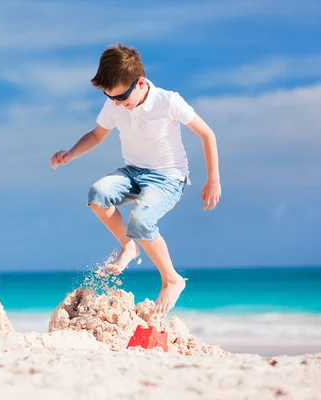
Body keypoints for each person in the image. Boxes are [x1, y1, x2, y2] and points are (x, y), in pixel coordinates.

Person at [50, 43, 221, 314]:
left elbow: (207, 134)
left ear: (140, 83)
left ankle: (172, 279)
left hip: (167, 178)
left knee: (140, 221)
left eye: (121, 98)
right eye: (111, 98)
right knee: (97, 194)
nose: (117, 104)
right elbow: (96, 135)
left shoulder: (168, 101)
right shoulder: (115, 103)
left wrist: (213, 180)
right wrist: (70, 154)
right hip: (133, 172)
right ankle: (128, 247)